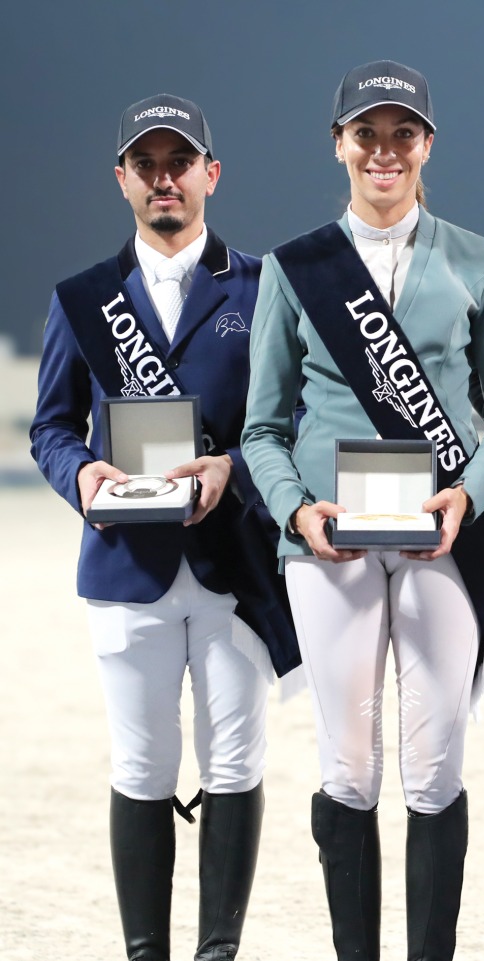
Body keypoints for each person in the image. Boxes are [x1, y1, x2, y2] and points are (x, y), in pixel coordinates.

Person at [240, 60, 484, 961]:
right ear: (339, 145)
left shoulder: (481, 261)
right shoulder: (294, 269)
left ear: (427, 145)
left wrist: (468, 493)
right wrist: (297, 512)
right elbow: (262, 428)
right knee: (350, 766)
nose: (383, 151)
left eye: (402, 133)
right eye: (365, 134)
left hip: (444, 537)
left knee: (436, 765)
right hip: (329, 544)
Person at [30, 94, 299, 961]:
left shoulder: (264, 287)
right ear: (122, 180)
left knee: (236, 762)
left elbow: (293, 420)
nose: (163, 178)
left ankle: (218, 951)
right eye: (145, 164)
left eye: (179, 162)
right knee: (140, 766)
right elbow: (52, 427)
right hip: (125, 564)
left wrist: (234, 468)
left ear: (210, 174)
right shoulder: (82, 299)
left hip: (234, 565)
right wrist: (83, 475)